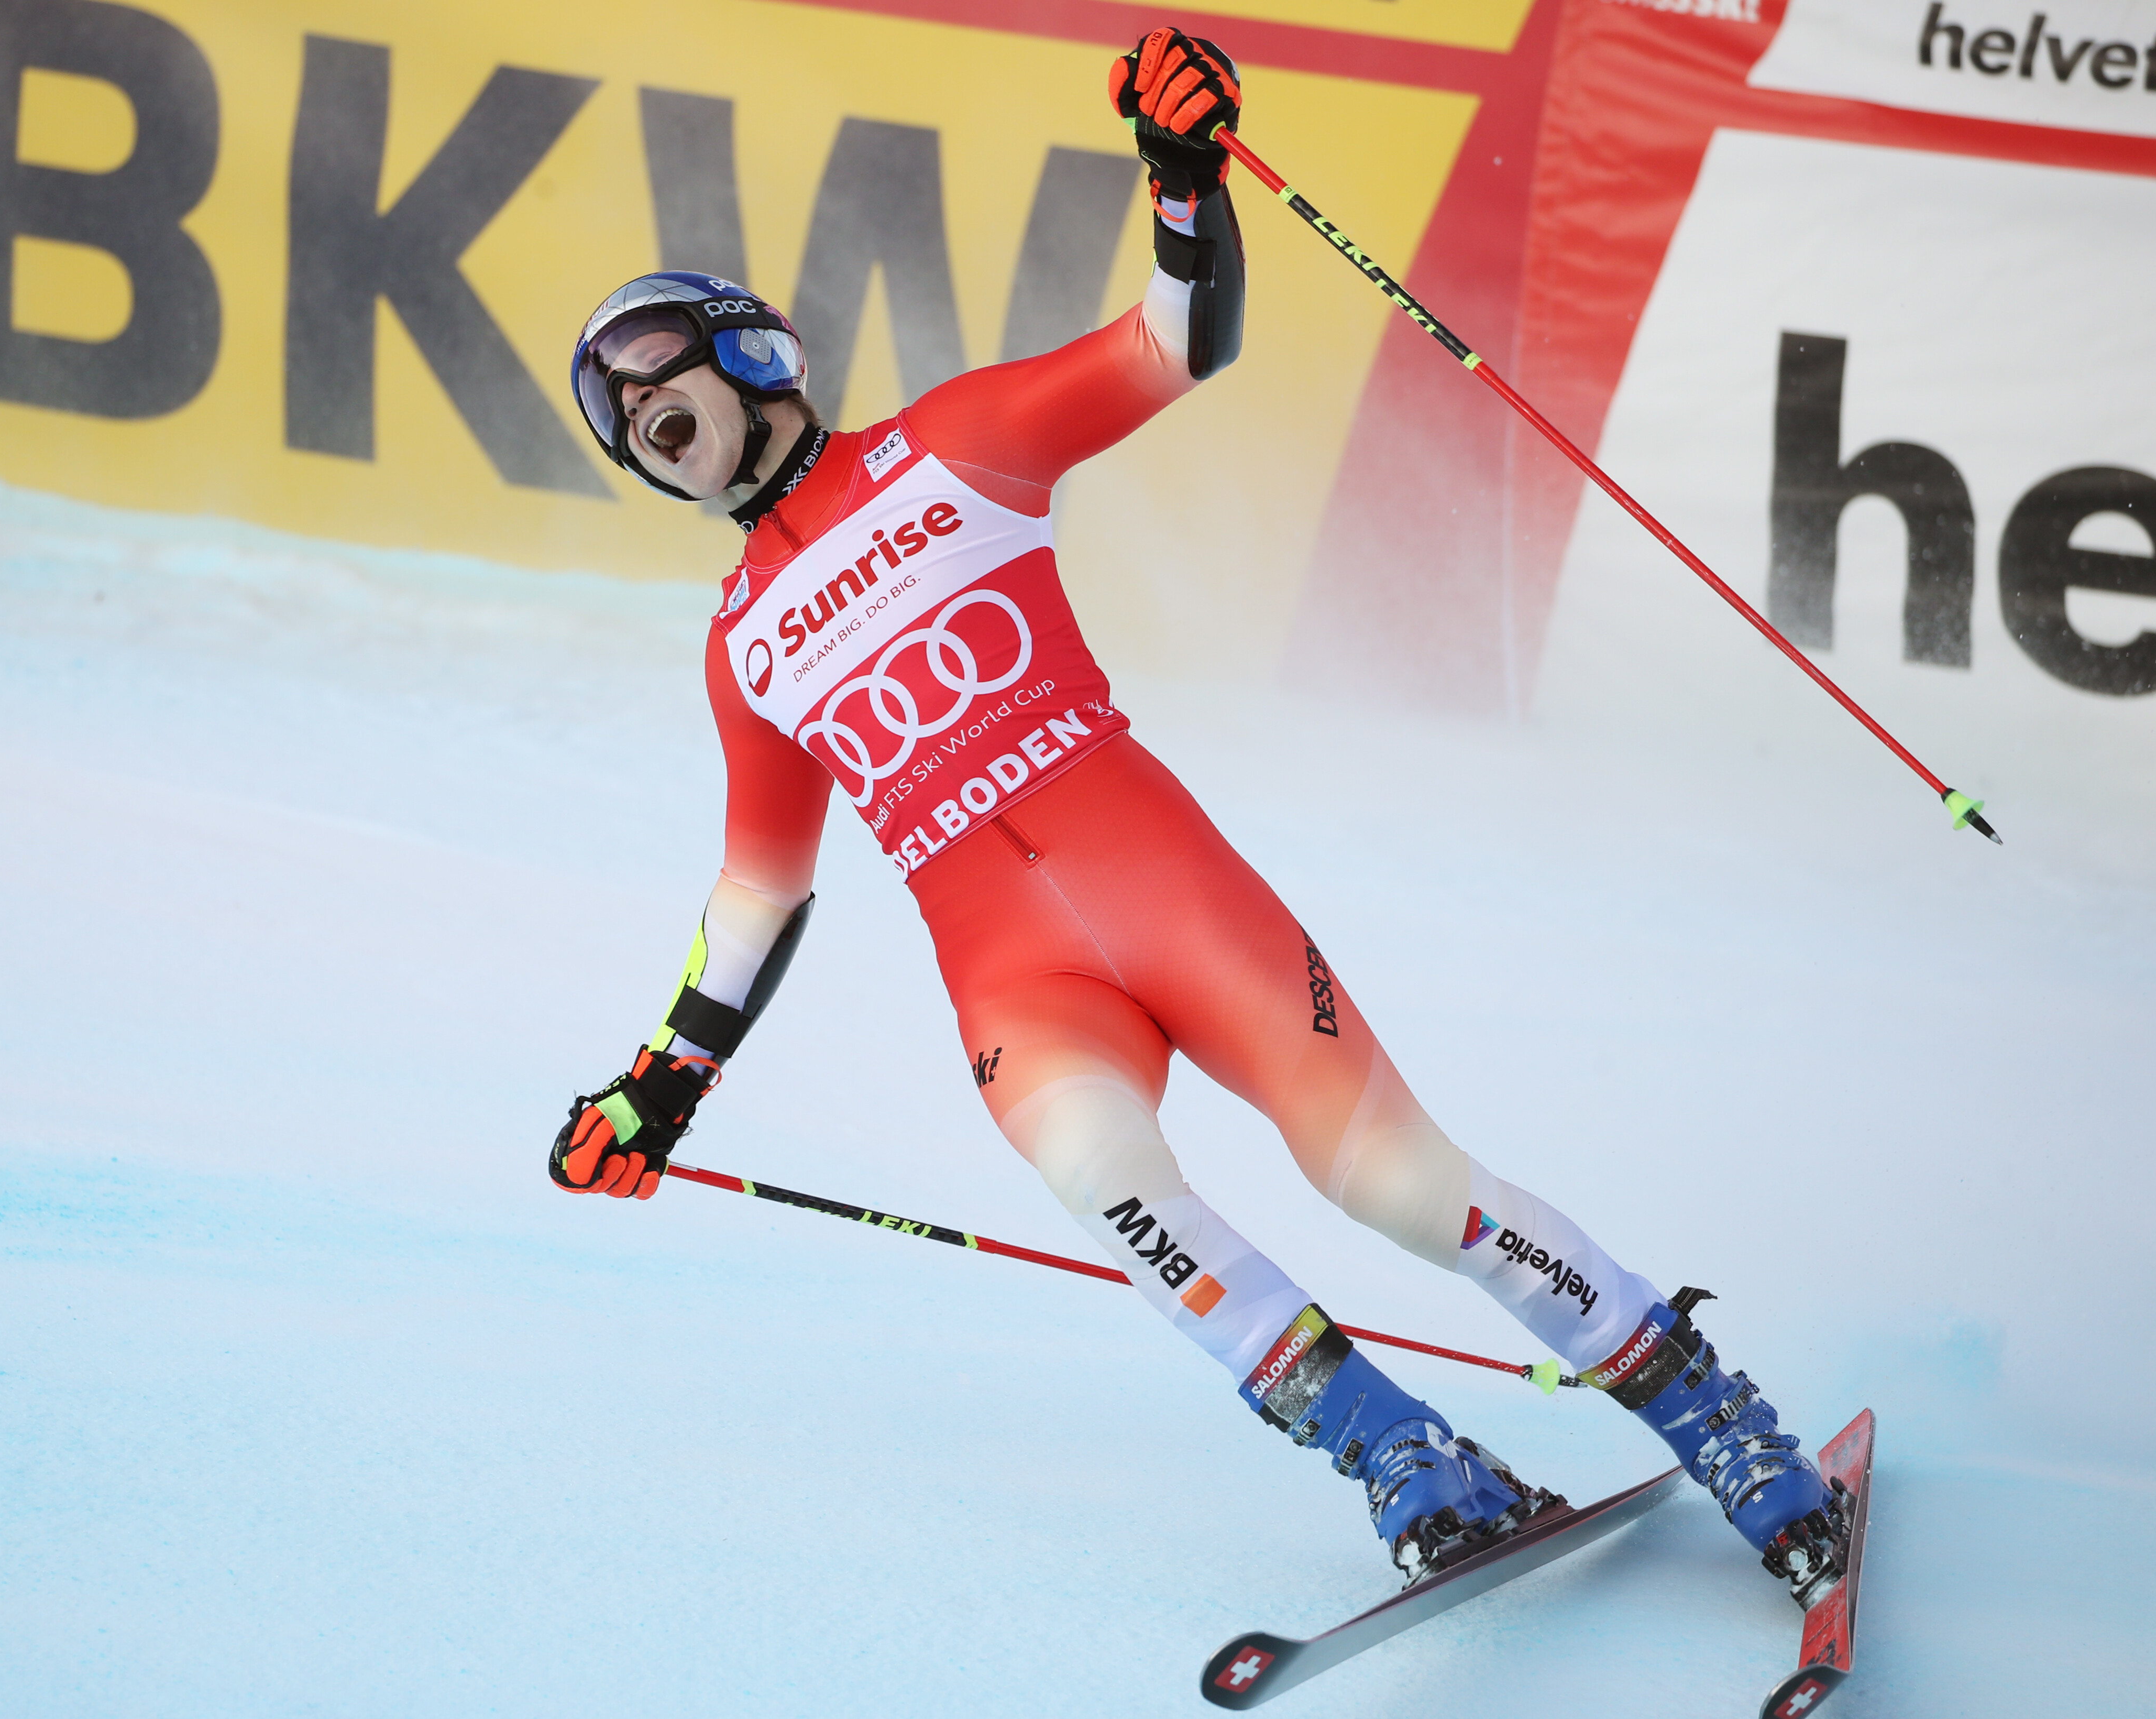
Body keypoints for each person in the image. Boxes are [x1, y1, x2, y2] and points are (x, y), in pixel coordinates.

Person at [548, 30, 1841, 1593]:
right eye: (632, 434)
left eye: (665, 393)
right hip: (1015, 980)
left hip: (1169, 896)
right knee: (1120, 1200)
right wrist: (663, 1085)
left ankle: (1711, 1409)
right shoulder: (743, 650)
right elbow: (761, 888)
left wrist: (1181, 178)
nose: (651, 432)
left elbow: (1176, 345)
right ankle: (1402, 1453)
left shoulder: (951, 448)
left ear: (757, 359)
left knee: (1401, 1187)